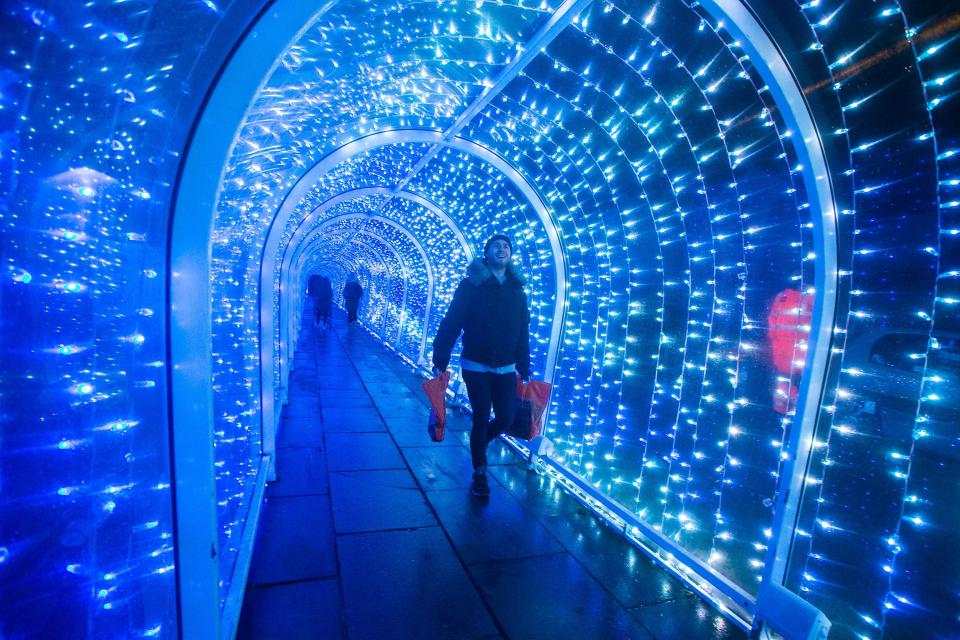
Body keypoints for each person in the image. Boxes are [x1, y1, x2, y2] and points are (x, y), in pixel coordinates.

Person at [432, 234, 531, 498]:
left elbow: (523, 331)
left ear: (510, 255)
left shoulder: (517, 291)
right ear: (486, 255)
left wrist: (524, 364)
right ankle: (479, 474)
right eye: (496, 246)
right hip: (476, 362)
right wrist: (440, 356)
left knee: (506, 417)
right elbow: (452, 321)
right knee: (480, 415)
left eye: (506, 246)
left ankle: (479, 444)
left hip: (506, 366)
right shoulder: (470, 286)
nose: (502, 249)